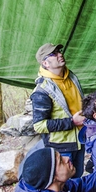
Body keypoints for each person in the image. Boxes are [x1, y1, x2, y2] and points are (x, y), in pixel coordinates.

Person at [29, 43, 86, 178]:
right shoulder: (42, 91)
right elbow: (39, 126)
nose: (60, 54)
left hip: (80, 140)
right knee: (64, 186)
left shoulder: (71, 77)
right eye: (53, 54)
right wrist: (72, 122)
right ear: (45, 63)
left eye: (59, 51)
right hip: (61, 148)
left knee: (77, 182)